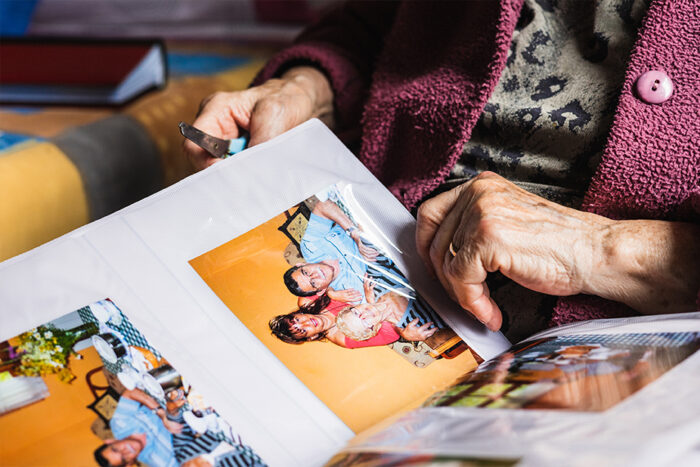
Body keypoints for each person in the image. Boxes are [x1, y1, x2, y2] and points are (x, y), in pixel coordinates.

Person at [184, 1, 700, 340]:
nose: (308, 281)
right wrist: (308, 91)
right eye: (306, 289)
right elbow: (373, 27)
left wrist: (606, 249)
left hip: (622, 356)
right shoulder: (346, 314)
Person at [269, 291, 436, 347]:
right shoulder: (342, 338)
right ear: (311, 337)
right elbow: (390, 335)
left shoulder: (308, 301)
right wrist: (406, 334)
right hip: (390, 305)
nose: (306, 322)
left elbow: (325, 273)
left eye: (296, 320)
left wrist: (331, 293)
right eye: (303, 330)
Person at [94, 388, 181, 467]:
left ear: (110, 441)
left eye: (116, 449)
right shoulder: (161, 462)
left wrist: (161, 413)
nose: (126, 451)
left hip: (171, 392)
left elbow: (130, 393)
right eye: (124, 458)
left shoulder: (119, 424)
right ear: (129, 464)